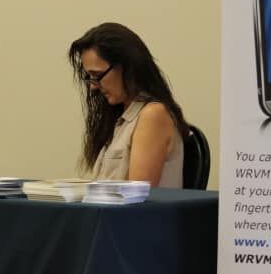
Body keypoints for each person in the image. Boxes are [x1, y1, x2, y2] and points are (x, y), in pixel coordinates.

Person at [68, 22, 188, 186]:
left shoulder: (153, 115)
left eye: (97, 75)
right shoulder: (119, 119)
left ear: (127, 66)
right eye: (90, 77)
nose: (93, 86)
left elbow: (137, 195)